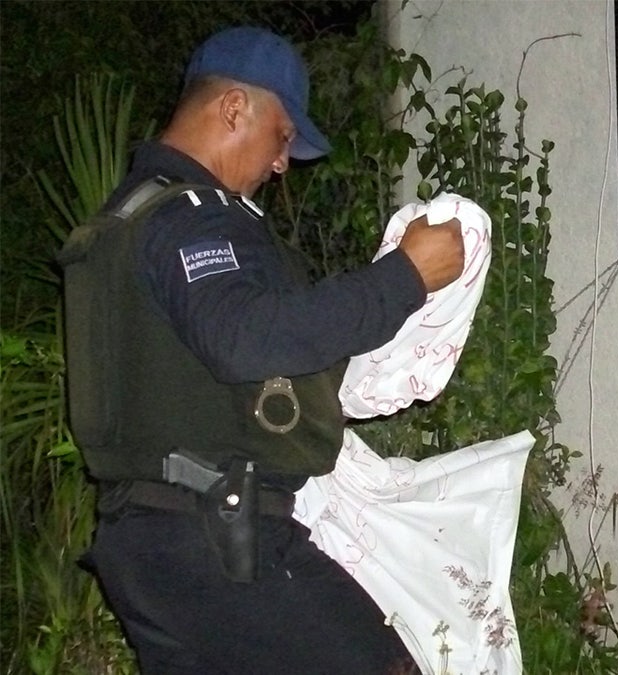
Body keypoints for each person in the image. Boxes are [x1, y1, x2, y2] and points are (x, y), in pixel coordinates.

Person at [64, 26, 463, 674]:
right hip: (214, 543)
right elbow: (246, 338)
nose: (283, 163)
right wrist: (406, 277)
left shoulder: (128, 216)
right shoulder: (190, 217)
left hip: (155, 540)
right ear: (233, 109)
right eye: (283, 137)